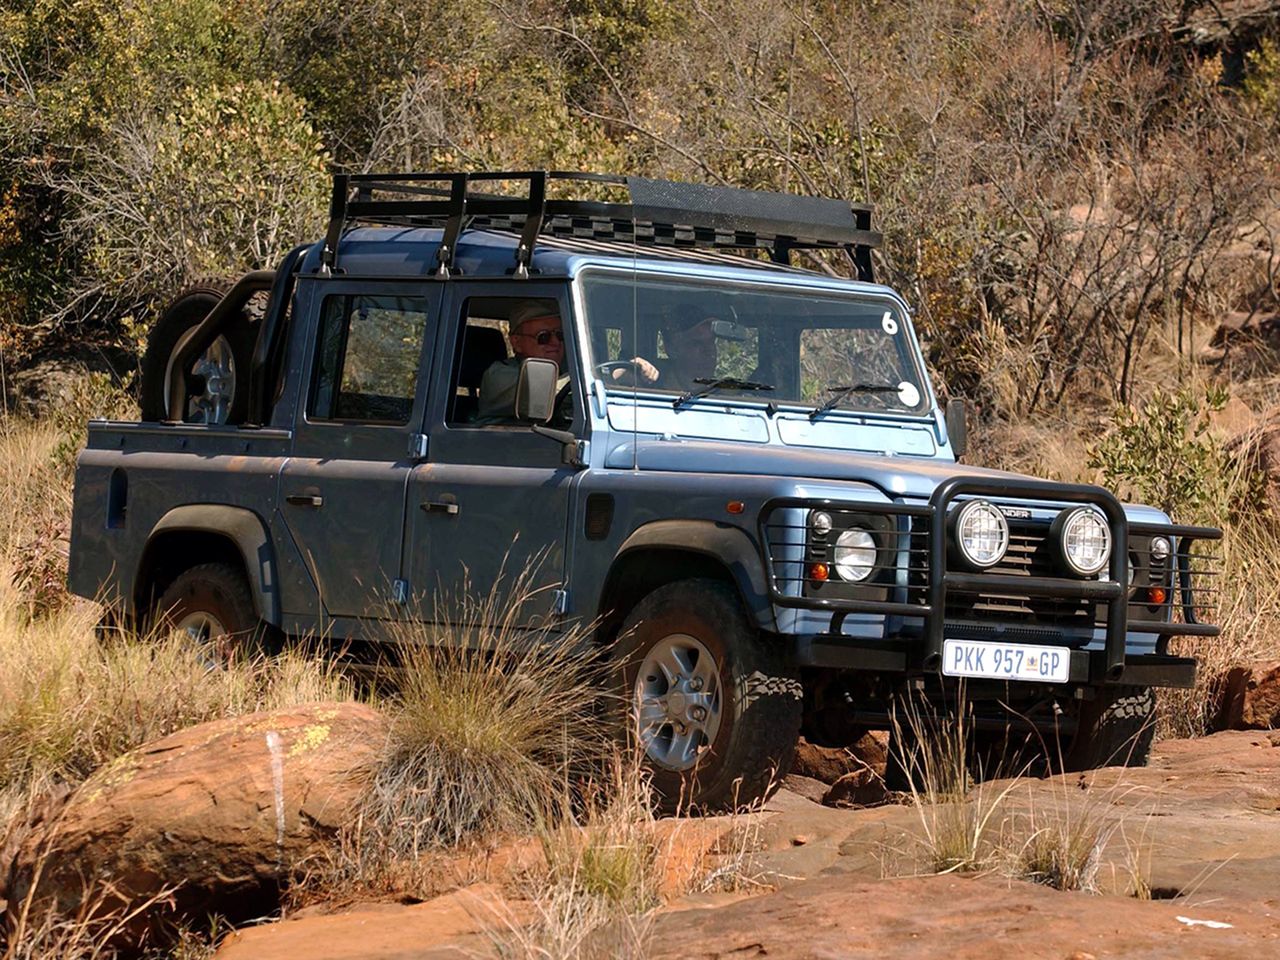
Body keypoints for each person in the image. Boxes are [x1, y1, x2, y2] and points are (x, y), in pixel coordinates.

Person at [476, 299, 569, 423]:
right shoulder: (498, 375)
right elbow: (544, 394)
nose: (556, 342)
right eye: (543, 336)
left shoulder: (567, 369)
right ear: (517, 342)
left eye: (560, 335)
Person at [614, 308, 719, 388]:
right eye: (696, 343)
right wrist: (629, 370)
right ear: (672, 348)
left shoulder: (723, 394)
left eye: (711, 342)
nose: (709, 351)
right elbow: (606, 382)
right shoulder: (652, 382)